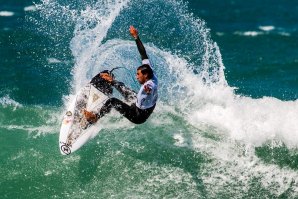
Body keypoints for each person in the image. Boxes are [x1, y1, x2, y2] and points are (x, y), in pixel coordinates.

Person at [84, 25, 158, 124]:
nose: (137, 77)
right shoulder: (150, 72)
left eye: (138, 74)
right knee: (124, 89)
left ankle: (95, 118)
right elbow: (143, 53)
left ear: (145, 75)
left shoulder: (149, 86)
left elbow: (150, 89)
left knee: (112, 101)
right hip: (144, 106)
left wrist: (148, 91)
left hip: (138, 115)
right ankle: (111, 81)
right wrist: (136, 36)